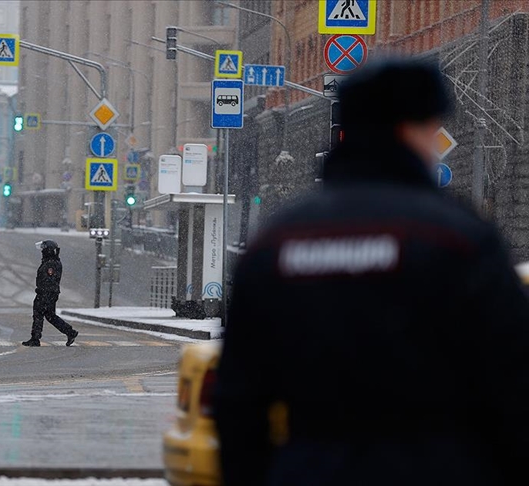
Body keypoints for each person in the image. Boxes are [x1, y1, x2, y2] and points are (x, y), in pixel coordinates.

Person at [214, 59, 529, 486]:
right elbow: (512, 384)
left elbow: (238, 400)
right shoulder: (457, 239)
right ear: (408, 130)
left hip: (309, 469)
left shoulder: (280, 241)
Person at [22, 240, 78, 347]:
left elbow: (49, 280)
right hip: (49, 293)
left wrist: (43, 293)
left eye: (43, 249)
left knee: (38, 315)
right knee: (50, 316)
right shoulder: (51, 261)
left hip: (46, 294)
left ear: (48, 250)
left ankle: (35, 339)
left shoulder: (51, 264)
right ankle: (70, 332)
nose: (42, 251)